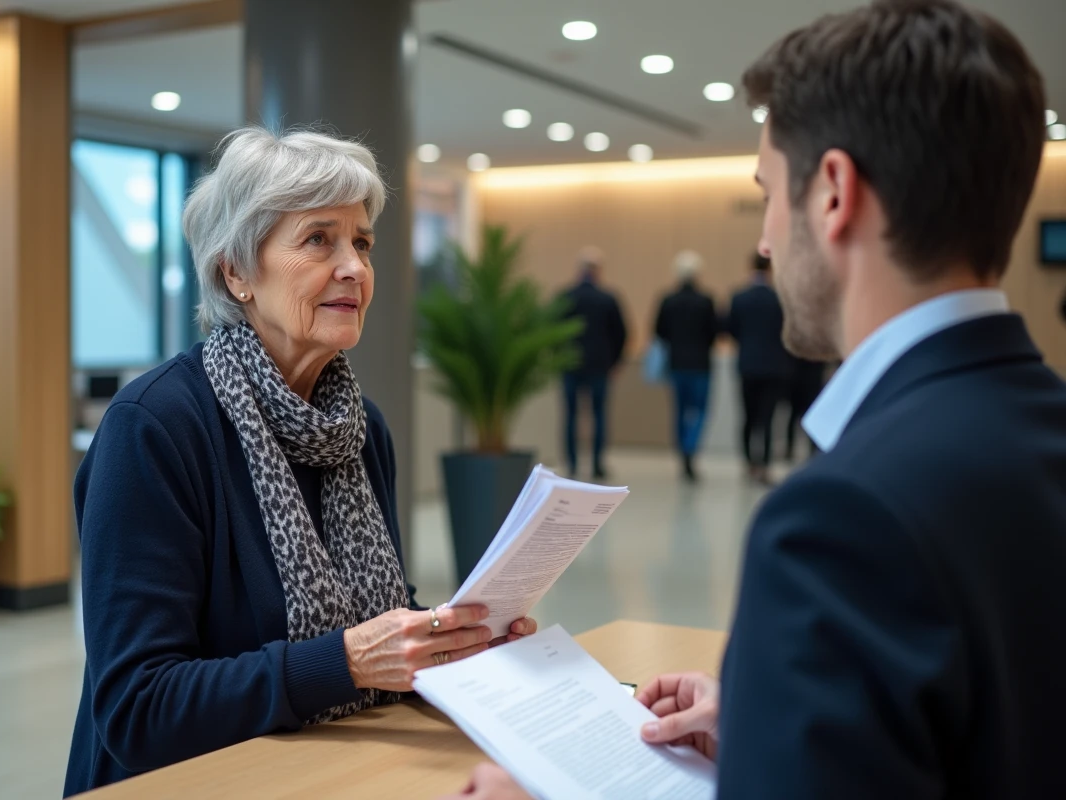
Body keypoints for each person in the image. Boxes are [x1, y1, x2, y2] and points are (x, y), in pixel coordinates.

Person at [444, 0, 1066, 797]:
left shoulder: (843, 518)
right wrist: (773, 732)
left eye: (769, 191)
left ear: (834, 193)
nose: (767, 242)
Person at [64, 128, 536, 796]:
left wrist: (460, 649)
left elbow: (378, 620)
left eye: (362, 243)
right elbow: (138, 708)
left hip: (332, 770)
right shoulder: (155, 427)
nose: (355, 268)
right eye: (319, 239)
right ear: (236, 271)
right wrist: (346, 663)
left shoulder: (360, 427)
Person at [559, 248, 627, 478]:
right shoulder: (607, 298)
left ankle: (572, 463)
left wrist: (558, 358)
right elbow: (621, 333)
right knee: (599, 415)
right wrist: (615, 361)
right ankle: (597, 463)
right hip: (600, 365)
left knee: (570, 415)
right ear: (598, 270)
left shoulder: (565, 297)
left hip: (570, 365)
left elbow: (552, 331)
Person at [653, 250, 719, 481]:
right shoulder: (706, 301)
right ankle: (691, 449)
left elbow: (659, 331)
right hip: (701, 365)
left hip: (677, 364)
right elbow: (714, 331)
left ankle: (683, 451)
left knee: (680, 411)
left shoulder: (668, 300)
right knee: (699, 411)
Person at [725, 254, 791, 484]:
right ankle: (764, 464)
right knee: (768, 418)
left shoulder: (739, 297)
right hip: (774, 366)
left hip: (748, 365)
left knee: (748, 416)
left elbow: (730, 329)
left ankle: (749, 462)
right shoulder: (779, 298)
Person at [783, 356, 826, 461]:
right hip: (806, 382)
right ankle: (809, 448)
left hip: (800, 381)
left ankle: (792, 448)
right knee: (805, 416)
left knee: (798, 415)